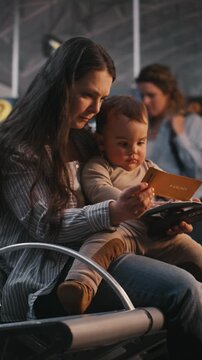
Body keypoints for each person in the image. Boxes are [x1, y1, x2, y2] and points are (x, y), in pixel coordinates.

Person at [0, 37, 202, 359]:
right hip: (53, 275)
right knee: (185, 291)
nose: (97, 109)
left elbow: (122, 191)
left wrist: (157, 221)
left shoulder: (85, 142)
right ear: (59, 87)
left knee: (192, 279)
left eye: (103, 97)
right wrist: (115, 210)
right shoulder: (19, 149)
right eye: (87, 95)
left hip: (102, 255)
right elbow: (46, 226)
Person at [58, 94, 202, 313]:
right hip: (123, 230)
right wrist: (129, 200)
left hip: (157, 232)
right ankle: (80, 285)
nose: (134, 151)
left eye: (141, 142)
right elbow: (100, 191)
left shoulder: (150, 169)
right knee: (99, 242)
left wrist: (183, 206)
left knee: (190, 246)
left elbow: (172, 194)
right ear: (101, 142)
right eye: (124, 144)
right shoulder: (98, 167)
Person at [136, 63, 202, 242]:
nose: (145, 101)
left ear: (168, 94)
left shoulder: (191, 123)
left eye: (151, 95)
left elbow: (197, 170)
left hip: (186, 210)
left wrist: (180, 135)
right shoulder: (143, 127)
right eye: (142, 95)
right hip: (154, 209)